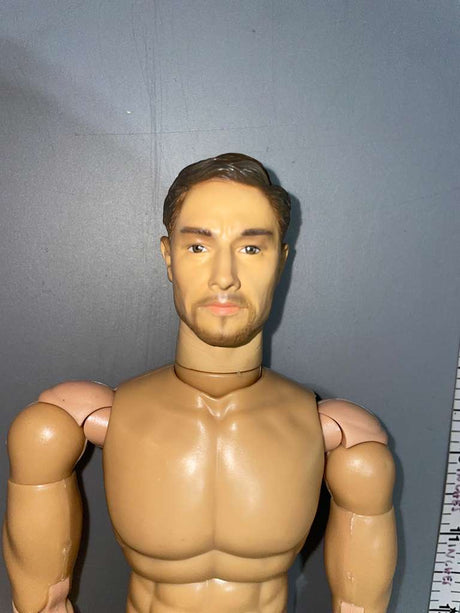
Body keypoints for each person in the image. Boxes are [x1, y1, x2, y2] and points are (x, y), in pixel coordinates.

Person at [4, 153, 397, 613]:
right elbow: (40, 596)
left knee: (367, 464)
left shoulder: (341, 437)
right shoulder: (93, 417)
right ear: (168, 256)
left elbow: (359, 601)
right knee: (41, 431)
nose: (224, 278)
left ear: (281, 261)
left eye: (252, 249)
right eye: (197, 247)